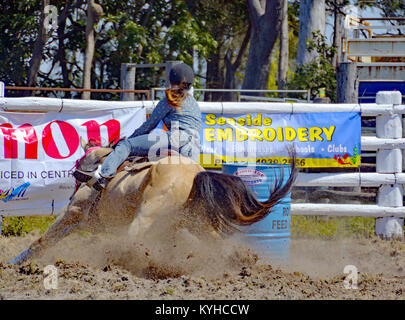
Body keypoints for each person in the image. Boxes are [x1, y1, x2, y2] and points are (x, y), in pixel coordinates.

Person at [80, 62, 202, 191]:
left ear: (171, 80)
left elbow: (149, 126)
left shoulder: (170, 100)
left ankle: (104, 176)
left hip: (176, 139)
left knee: (126, 145)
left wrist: (129, 141)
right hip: (194, 147)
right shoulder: (193, 103)